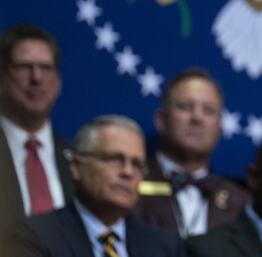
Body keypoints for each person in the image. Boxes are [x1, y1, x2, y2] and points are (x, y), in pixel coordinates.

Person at [4, 114, 185, 256]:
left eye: (137, 165)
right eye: (114, 159)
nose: (127, 172)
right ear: (76, 167)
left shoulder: (165, 248)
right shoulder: (34, 237)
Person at [134, 67, 250, 237]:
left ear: (220, 128)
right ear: (161, 120)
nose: (197, 118)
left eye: (208, 110)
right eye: (185, 107)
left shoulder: (241, 202)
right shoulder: (129, 185)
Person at [0, 23, 73, 235]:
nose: (36, 78)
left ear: (58, 82)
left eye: (45, 68)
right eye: (24, 67)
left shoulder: (76, 158)